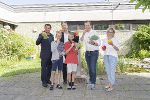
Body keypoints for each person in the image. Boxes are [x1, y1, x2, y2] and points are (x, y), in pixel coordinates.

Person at [80, 21, 101, 89]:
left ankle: (93, 82)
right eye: (86, 26)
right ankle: (91, 80)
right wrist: (83, 34)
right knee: (89, 68)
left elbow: (99, 43)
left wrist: (93, 43)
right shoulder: (85, 33)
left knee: (93, 68)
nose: (87, 27)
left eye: (88, 25)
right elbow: (81, 41)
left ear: (90, 25)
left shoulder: (94, 33)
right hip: (87, 53)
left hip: (94, 53)